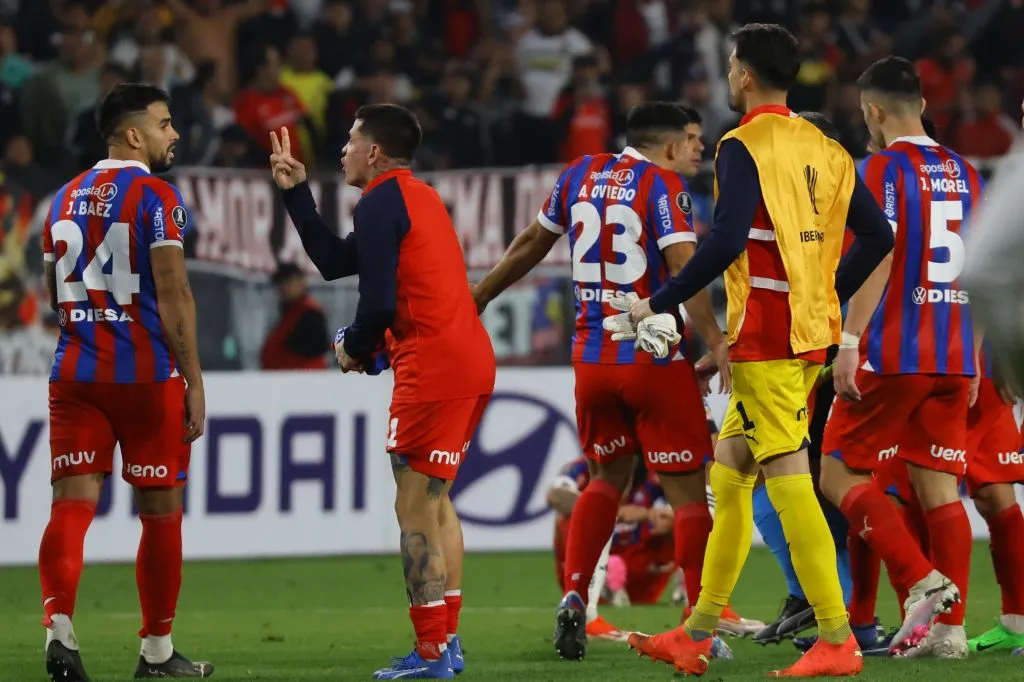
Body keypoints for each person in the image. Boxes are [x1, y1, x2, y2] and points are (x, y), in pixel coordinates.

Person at [620, 23, 895, 677]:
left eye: (732, 64)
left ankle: (836, 637)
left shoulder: (741, 144)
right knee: (732, 474)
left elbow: (725, 241)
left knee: (789, 480)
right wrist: (826, 292)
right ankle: (697, 630)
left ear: (743, 74)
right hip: (804, 336)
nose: (728, 73)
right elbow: (878, 236)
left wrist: (658, 301)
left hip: (770, 337)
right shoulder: (825, 146)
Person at [472, 102, 759, 662]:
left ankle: (576, 594)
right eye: (695, 139)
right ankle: (697, 623)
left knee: (605, 477)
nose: (701, 149)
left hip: (591, 358)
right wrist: (715, 339)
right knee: (686, 491)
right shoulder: (662, 186)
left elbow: (533, 240)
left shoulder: (578, 173)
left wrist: (481, 293)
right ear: (669, 145)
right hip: (651, 355)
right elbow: (685, 269)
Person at [268, 104, 496, 680]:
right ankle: (447, 644)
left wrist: (354, 346)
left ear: (374, 152)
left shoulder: (378, 202)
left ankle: (430, 655)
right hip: (470, 359)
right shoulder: (416, 198)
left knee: (413, 505)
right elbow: (335, 261)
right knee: (438, 502)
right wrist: (297, 195)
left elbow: (376, 307)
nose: (341, 150)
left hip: (433, 370)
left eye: (349, 141)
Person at [38, 83, 211, 681]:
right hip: (144, 375)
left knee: (70, 507)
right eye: (165, 124)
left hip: (75, 372)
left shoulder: (60, 199)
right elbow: (174, 291)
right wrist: (194, 379)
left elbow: (51, 293)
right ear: (133, 134)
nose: (175, 135)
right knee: (161, 512)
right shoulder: (157, 196)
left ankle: (59, 632)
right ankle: (158, 653)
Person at [818, 55, 986, 659]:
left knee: (838, 474)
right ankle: (950, 632)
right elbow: (987, 266)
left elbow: (880, 253)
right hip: (954, 352)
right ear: (923, 105)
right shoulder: (967, 171)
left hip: (894, 351)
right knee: (941, 492)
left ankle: (922, 579)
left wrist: (849, 340)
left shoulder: (879, 168)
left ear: (873, 111)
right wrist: (975, 352)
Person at [258, 261, 330, 370]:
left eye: (288, 282)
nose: (283, 287)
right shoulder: (291, 312)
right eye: (280, 283)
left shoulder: (309, 313)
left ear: (302, 282)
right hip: (288, 380)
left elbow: (317, 346)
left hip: (303, 381)